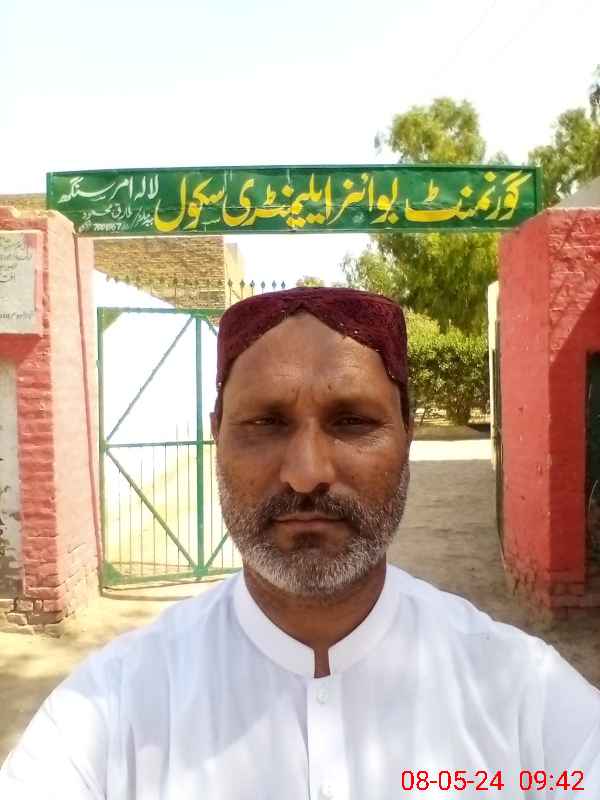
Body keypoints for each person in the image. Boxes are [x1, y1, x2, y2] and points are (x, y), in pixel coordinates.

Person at [1, 286, 599, 799]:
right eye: (265, 423)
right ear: (217, 437)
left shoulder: (524, 699)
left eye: (352, 422)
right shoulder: (111, 710)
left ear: (407, 435)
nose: (307, 473)